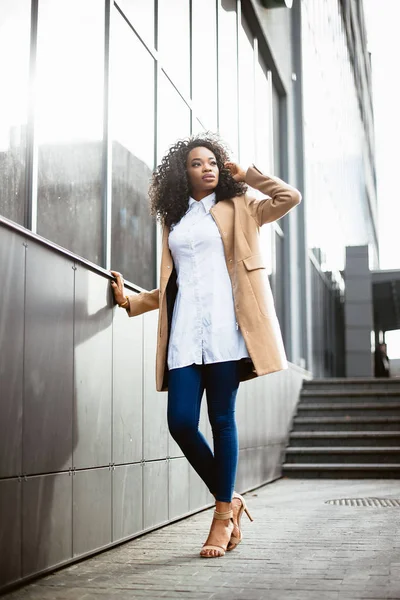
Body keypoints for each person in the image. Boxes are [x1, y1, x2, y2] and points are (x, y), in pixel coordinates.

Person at [111, 133, 301, 558]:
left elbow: (290, 197)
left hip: (225, 333)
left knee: (221, 420)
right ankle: (231, 499)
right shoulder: (174, 220)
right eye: (198, 163)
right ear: (184, 173)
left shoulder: (242, 207)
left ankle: (220, 516)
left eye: (214, 161)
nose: (208, 167)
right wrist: (132, 301)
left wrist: (249, 175)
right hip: (183, 336)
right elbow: (172, 286)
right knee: (180, 422)